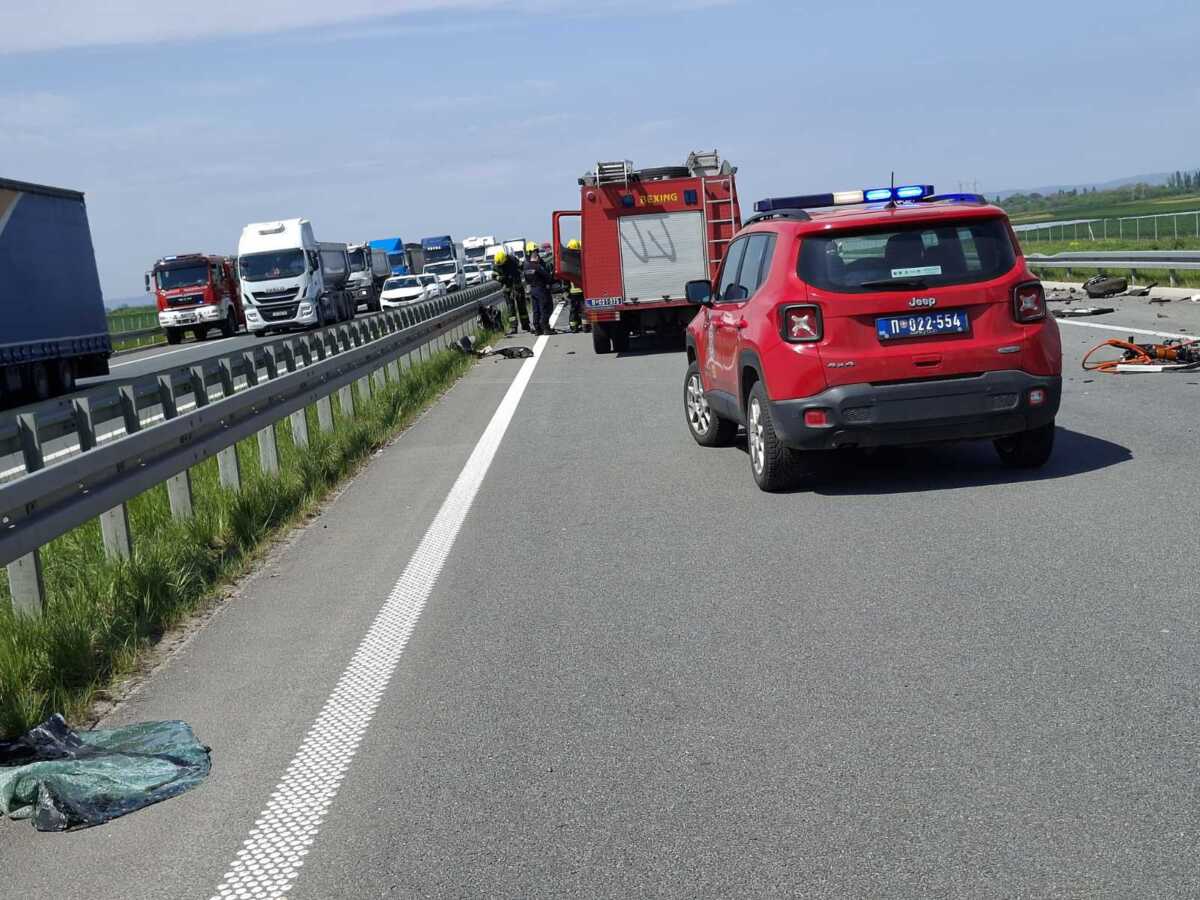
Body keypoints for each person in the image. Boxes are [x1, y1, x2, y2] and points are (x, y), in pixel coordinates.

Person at [493, 249, 530, 335]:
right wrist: (499, 278)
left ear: (505, 259)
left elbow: (522, 267)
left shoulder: (513, 260)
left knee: (522, 307)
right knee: (511, 309)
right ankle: (514, 327)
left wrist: (519, 273)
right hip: (507, 289)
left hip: (517, 287)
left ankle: (526, 325)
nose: (501, 265)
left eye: (502, 264)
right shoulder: (497, 263)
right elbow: (494, 275)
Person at [523, 247, 555, 336]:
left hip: (533, 290)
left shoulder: (526, 268)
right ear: (536, 258)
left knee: (535, 310)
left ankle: (537, 329)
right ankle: (546, 329)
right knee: (544, 309)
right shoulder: (538, 267)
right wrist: (552, 278)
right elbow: (547, 277)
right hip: (540, 289)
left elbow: (526, 280)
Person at [564, 238, 587, 333]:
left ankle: (573, 327)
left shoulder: (567, 262)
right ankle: (586, 326)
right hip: (582, 290)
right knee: (583, 309)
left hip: (573, 292)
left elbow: (566, 278)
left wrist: (566, 290)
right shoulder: (582, 260)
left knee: (573, 310)